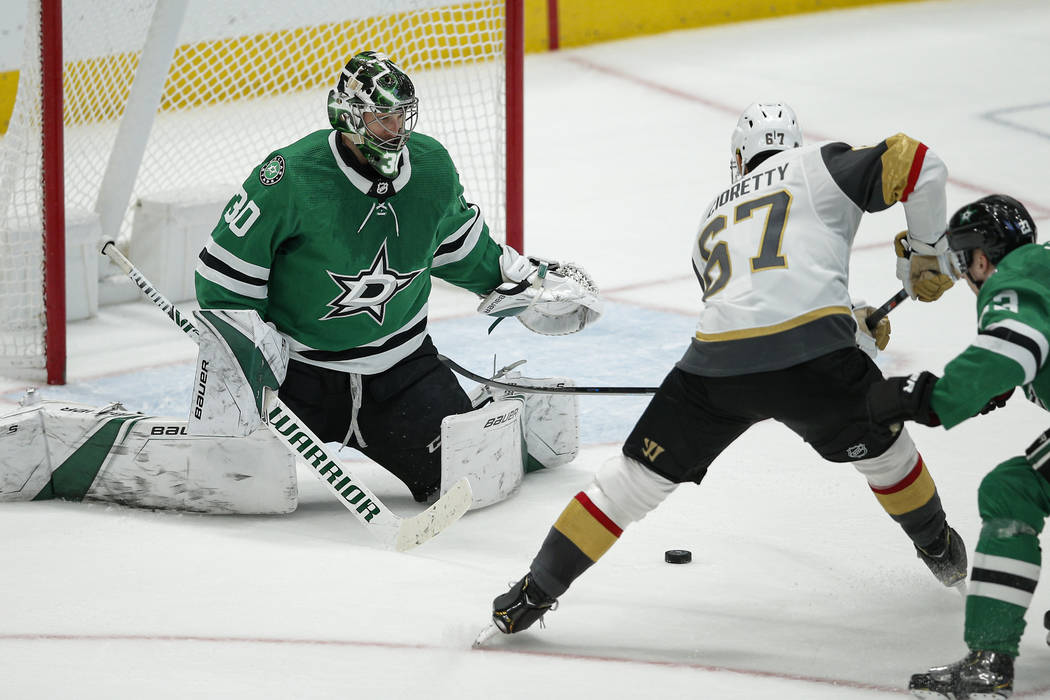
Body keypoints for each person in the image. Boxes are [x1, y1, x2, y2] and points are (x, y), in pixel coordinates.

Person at [485, 102, 968, 636]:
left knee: (628, 484)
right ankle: (939, 548)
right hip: (817, 359)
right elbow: (920, 162)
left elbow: (757, 310)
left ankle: (532, 592)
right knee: (887, 455)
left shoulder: (709, 218)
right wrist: (927, 251)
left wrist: (848, 326)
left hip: (716, 367)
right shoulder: (820, 163)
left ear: (740, 158)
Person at [191, 50, 601, 511]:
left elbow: (458, 248)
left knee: (467, 484)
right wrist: (249, 350)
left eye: (403, 117)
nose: (397, 130)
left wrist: (516, 285)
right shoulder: (291, 176)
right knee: (234, 482)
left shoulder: (431, 167)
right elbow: (220, 276)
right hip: (298, 376)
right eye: (382, 118)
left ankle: (498, 409)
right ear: (347, 115)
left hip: (402, 374)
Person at [866, 195, 1046, 699]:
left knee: (1012, 492)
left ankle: (990, 663)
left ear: (983, 258)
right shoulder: (1044, 265)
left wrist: (925, 395)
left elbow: (1015, 344)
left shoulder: (1015, 278)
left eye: (966, 262)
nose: (968, 276)